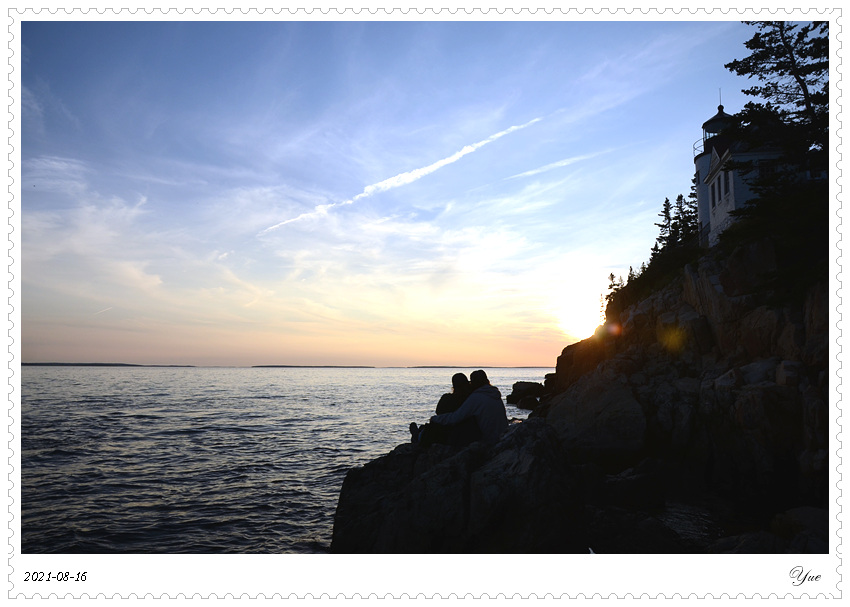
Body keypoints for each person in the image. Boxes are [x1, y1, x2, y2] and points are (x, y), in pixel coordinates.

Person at [411, 370, 508, 447]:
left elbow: (455, 418)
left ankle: (419, 435)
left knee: (441, 427)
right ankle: (421, 432)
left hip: (488, 439)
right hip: (502, 436)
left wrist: (434, 419)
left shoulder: (476, 398)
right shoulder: (494, 395)